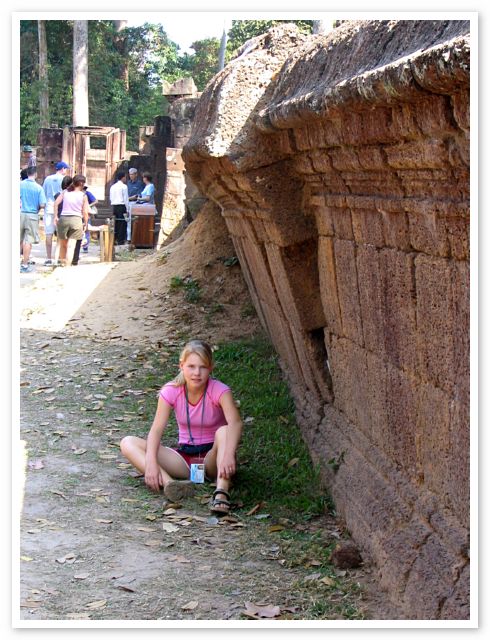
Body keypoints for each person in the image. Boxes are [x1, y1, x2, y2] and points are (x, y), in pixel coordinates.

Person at [120, 339, 243, 514]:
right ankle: (171, 484)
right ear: (181, 366)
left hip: (213, 457)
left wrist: (229, 455)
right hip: (184, 457)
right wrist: (151, 463)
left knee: (224, 431)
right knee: (128, 443)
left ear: (211, 368)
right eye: (191, 366)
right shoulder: (171, 391)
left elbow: (236, 423)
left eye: (203, 367)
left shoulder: (220, 390)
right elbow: (156, 429)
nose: (197, 373)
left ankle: (222, 491)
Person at [53, 174, 89, 266]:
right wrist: (86, 223)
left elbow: (56, 203)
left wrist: (55, 216)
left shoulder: (65, 192)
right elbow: (85, 212)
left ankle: (62, 263)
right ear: (81, 184)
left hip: (63, 218)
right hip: (76, 220)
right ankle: (67, 266)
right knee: (71, 246)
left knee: (63, 245)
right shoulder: (83, 195)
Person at [42, 161, 70, 266]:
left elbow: (44, 193)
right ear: (62, 169)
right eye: (66, 169)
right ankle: (58, 257)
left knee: (48, 234)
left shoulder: (48, 179)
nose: (66, 171)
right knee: (60, 234)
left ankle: (48, 258)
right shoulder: (64, 179)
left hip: (49, 207)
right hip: (60, 209)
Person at [20, 166, 46, 273]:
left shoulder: (20, 184)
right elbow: (43, 204)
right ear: (35, 174)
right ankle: (25, 265)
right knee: (28, 241)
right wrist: (37, 208)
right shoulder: (38, 188)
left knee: (18, 239)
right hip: (32, 215)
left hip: (20, 213)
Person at [71, 185, 98, 266]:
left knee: (86, 229)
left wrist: (88, 206)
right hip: (78, 213)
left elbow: (96, 201)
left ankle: (85, 246)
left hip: (86, 213)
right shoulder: (77, 194)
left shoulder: (87, 194)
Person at [109, 170, 129, 245]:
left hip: (114, 206)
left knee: (116, 222)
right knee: (122, 223)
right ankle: (121, 240)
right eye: (125, 177)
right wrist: (127, 209)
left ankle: (115, 238)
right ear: (123, 177)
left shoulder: (112, 187)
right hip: (122, 205)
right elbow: (126, 199)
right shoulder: (124, 187)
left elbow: (111, 198)